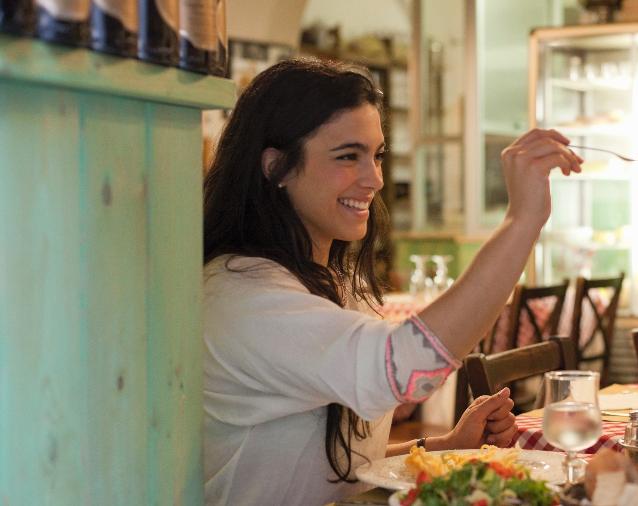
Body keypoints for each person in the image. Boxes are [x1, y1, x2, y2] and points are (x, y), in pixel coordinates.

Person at [201, 57, 583, 505]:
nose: (374, 179)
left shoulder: (335, 281)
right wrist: (522, 221)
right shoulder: (244, 295)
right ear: (276, 167)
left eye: (377, 155)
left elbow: (341, 464)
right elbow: (403, 370)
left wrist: (445, 446)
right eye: (348, 157)